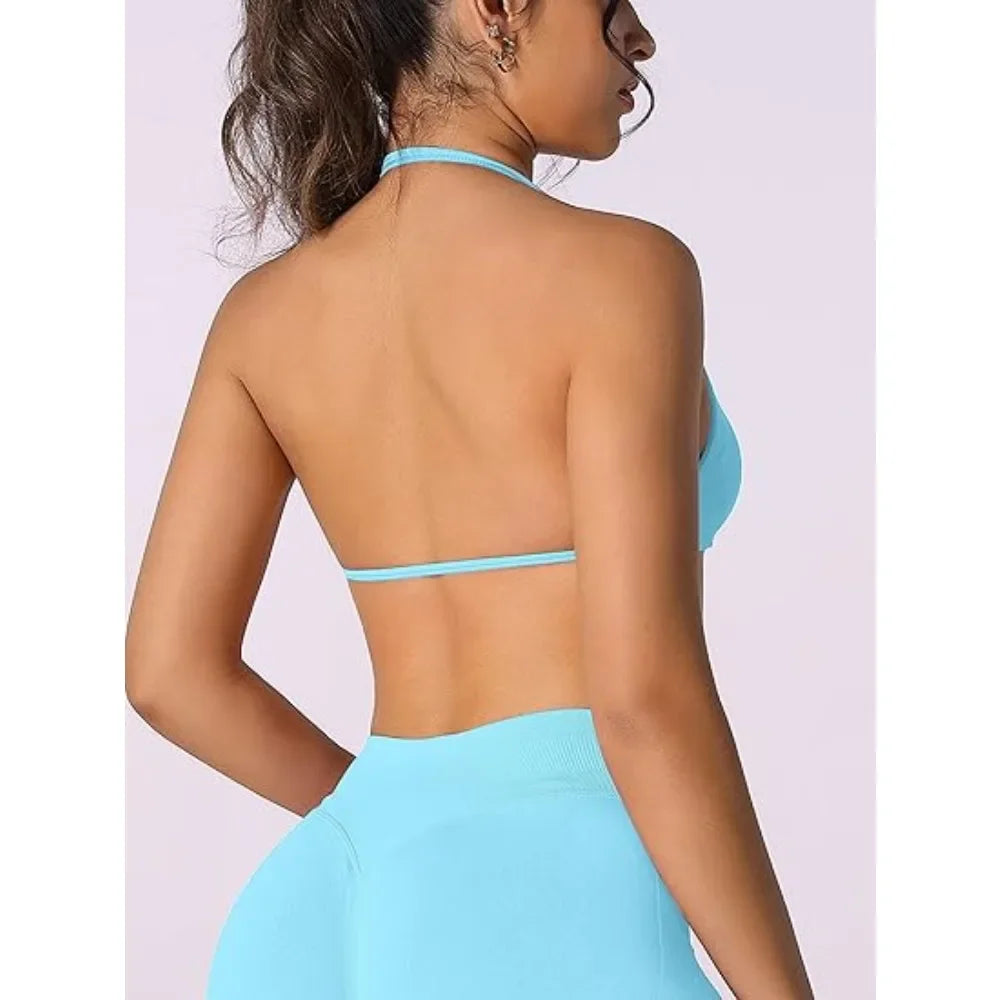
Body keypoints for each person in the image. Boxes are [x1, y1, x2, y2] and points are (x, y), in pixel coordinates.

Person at [125, 1, 813, 997]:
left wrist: (405, 816)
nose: (640, 36)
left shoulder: (260, 316)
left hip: (331, 911)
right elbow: (643, 700)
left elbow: (169, 672)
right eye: (611, 2)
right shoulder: (624, 274)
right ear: (494, 7)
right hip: (562, 906)